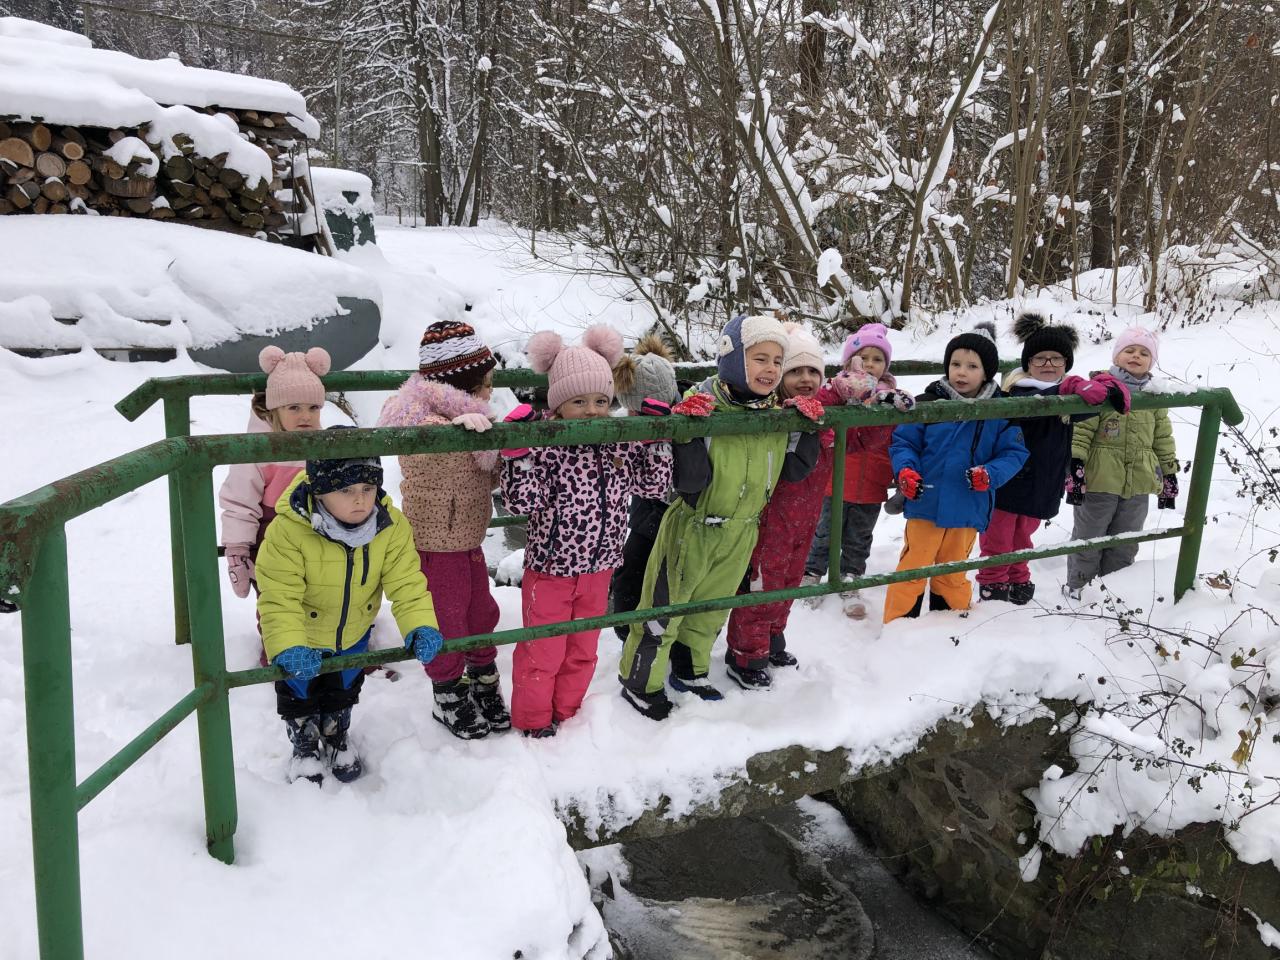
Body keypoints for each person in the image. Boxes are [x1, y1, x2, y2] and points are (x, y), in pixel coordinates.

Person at [618, 314, 822, 720]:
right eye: (759, 358)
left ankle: (690, 670)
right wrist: (688, 430)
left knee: (711, 609)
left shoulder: (774, 412)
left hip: (742, 529)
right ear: (733, 359)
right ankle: (639, 682)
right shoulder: (704, 402)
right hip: (693, 526)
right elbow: (690, 481)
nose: (770, 369)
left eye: (777, 361)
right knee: (664, 610)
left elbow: (793, 470)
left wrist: (807, 428)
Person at [501, 325, 674, 738]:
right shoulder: (547, 445)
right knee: (542, 651)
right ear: (558, 404)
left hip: (600, 567)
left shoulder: (616, 441)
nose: (592, 411)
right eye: (579, 401)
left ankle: (569, 714)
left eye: (600, 400)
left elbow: (653, 485)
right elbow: (521, 503)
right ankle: (533, 722)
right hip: (552, 569)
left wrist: (655, 439)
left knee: (583, 649)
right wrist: (518, 454)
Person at [256, 433, 443, 784]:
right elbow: (279, 595)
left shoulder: (389, 526)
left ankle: (336, 733)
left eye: (368, 489)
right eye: (345, 490)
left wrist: (420, 624)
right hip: (303, 636)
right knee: (299, 692)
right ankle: (304, 744)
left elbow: (407, 581)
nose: (360, 499)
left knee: (344, 688)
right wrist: (288, 644)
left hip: (354, 631)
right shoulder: (289, 531)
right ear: (319, 491)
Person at [377, 320, 510, 740]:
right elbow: (434, 459)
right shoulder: (417, 416)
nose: (489, 393)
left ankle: (483, 678)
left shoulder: (470, 418)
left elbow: (487, 475)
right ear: (463, 385)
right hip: (435, 544)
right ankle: (448, 690)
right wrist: (461, 435)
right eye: (485, 385)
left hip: (468, 538)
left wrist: (501, 447)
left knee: (480, 612)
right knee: (445, 619)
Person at [976, 313, 1129, 604]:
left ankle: (1018, 578)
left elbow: (1095, 404)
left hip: (1042, 483)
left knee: (1024, 536)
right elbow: (1029, 409)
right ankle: (993, 583)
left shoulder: (1070, 398)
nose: (1048, 364)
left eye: (1057, 358)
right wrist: (1067, 389)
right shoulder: (1015, 391)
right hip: (1009, 480)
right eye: (1040, 358)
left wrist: (1108, 384)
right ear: (1028, 363)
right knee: (998, 536)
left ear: (1066, 363)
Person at [883, 322, 1029, 623]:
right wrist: (906, 471)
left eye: (972, 366)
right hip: (926, 502)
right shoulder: (929, 404)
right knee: (913, 567)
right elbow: (904, 443)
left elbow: (1014, 453)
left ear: (987, 372)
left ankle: (950, 622)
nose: (961, 372)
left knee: (952, 569)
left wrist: (990, 473)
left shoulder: (1001, 410)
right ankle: (898, 625)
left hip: (968, 505)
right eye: (955, 364)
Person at [723, 323, 835, 688]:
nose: (805, 379)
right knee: (762, 585)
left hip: (805, 520)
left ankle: (772, 638)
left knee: (789, 581)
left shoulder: (823, 413)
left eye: (813, 371)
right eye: (795, 371)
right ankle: (745, 654)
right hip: (771, 521)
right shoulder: (775, 414)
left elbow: (861, 435)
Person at [804, 322, 915, 619]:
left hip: (872, 483)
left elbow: (899, 438)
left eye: (877, 359)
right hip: (836, 479)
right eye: (863, 357)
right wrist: (839, 389)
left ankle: (851, 579)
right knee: (824, 531)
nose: (869, 364)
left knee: (860, 537)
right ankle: (812, 574)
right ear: (849, 360)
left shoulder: (891, 397)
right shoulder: (839, 390)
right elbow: (817, 408)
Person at [1064, 326, 1178, 598]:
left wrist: (1169, 474)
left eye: (1144, 353)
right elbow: (1081, 431)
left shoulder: (1154, 398)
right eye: (1129, 350)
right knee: (1089, 538)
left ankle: (1112, 592)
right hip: (1099, 481)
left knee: (1126, 541)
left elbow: (1163, 439)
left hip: (1139, 483)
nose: (1136, 356)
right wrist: (1075, 465)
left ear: (1151, 362)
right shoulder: (1101, 390)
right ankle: (1079, 587)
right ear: (1116, 356)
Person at [219, 346, 329, 618]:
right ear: (275, 409)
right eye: (294, 407)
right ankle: (275, 641)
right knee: (277, 605)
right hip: (271, 539)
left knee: (320, 601)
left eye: (313, 407)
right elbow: (239, 502)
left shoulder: (324, 445)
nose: (305, 416)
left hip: (316, 537)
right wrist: (238, 551)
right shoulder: (257, 450)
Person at [609, 335, 682, 641]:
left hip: (676, 511)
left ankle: (654, 629)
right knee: (633, 567)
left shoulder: (684, 418)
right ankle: (626, 627)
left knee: (663, 573)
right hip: (645, 513)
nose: (633, 417)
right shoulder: (629, 423)